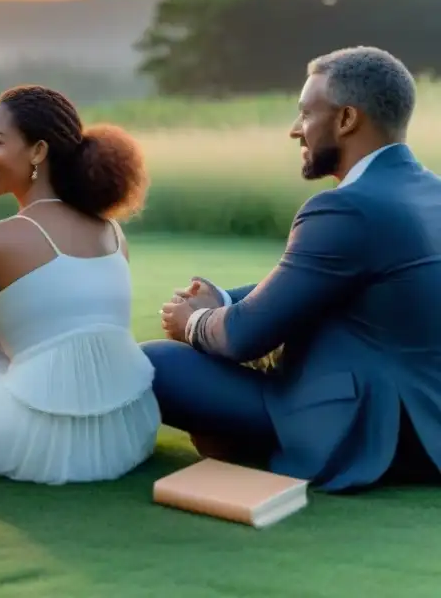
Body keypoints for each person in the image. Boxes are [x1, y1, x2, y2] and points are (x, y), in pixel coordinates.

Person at [148, 45, 441, 492]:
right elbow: (313, 285)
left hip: (372, 430)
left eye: (305, 114)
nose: (294, 130)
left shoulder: (348, 209)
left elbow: (245, 337)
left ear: (346, 120)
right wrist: (224, 299)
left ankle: (250, 447)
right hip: (427, 425)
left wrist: (194, 322)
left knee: (157, 363)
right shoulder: (427, 191)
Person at [0, 84, 158, 484]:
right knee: (25, 338)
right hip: (126, 441)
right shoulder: (112, 232)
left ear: (38, 151)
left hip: (33, 452)